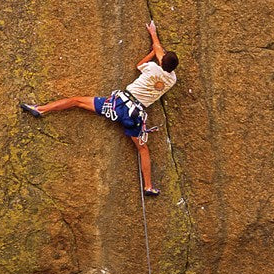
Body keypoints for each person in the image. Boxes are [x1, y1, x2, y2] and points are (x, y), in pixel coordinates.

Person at [20, 21, 178, 196]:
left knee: (76, 101)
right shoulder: (172, 80)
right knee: (142, 149)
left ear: (161, 60)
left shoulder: (151, 68)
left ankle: (41, 109)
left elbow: (141, 62)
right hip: (135, 115)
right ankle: (148, 186)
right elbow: (160, 52)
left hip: (118, 105)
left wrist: (152, 42)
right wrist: (156, 43)